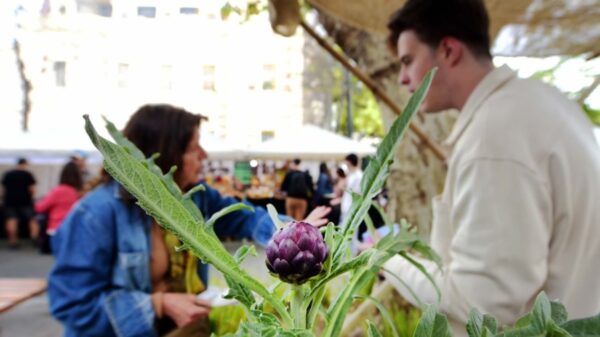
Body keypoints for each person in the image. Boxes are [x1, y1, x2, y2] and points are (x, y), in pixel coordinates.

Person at [383, 0, 600, 335]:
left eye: (408, 61)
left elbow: (479, 307)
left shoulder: (492, 137)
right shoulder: (545, 101)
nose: (402, 79)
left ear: (449, 50)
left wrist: (386, 261)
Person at [48, 104, 330, 337]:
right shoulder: (95, 215)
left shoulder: (196, 197)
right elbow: (71, 305)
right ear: (165, 153)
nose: (204, 156)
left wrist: (291, 234)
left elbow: (244, 217)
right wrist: (158, 305)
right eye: (195, 148)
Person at [34, 161, 82, 250]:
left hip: (56, 228)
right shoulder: (80, 191)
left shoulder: (58, 190)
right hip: (75, 230)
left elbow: (40, 208)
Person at [1, 158, 38, 248]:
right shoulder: (28, 175)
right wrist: (31, 197)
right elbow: (32, 189)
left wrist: (3, 198)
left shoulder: (8, 174)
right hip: (25, 201)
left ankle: (13, 241)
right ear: (25, 164)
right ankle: (34, 238)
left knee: (12, 220)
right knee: (32, 219)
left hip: (9, 201)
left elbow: (3, 189)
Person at [339, 153, 363, 225]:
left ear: (349, 162)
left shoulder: (358, 176)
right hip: (347, 207)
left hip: (352, 208)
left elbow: (357, 193)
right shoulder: (351, 175)